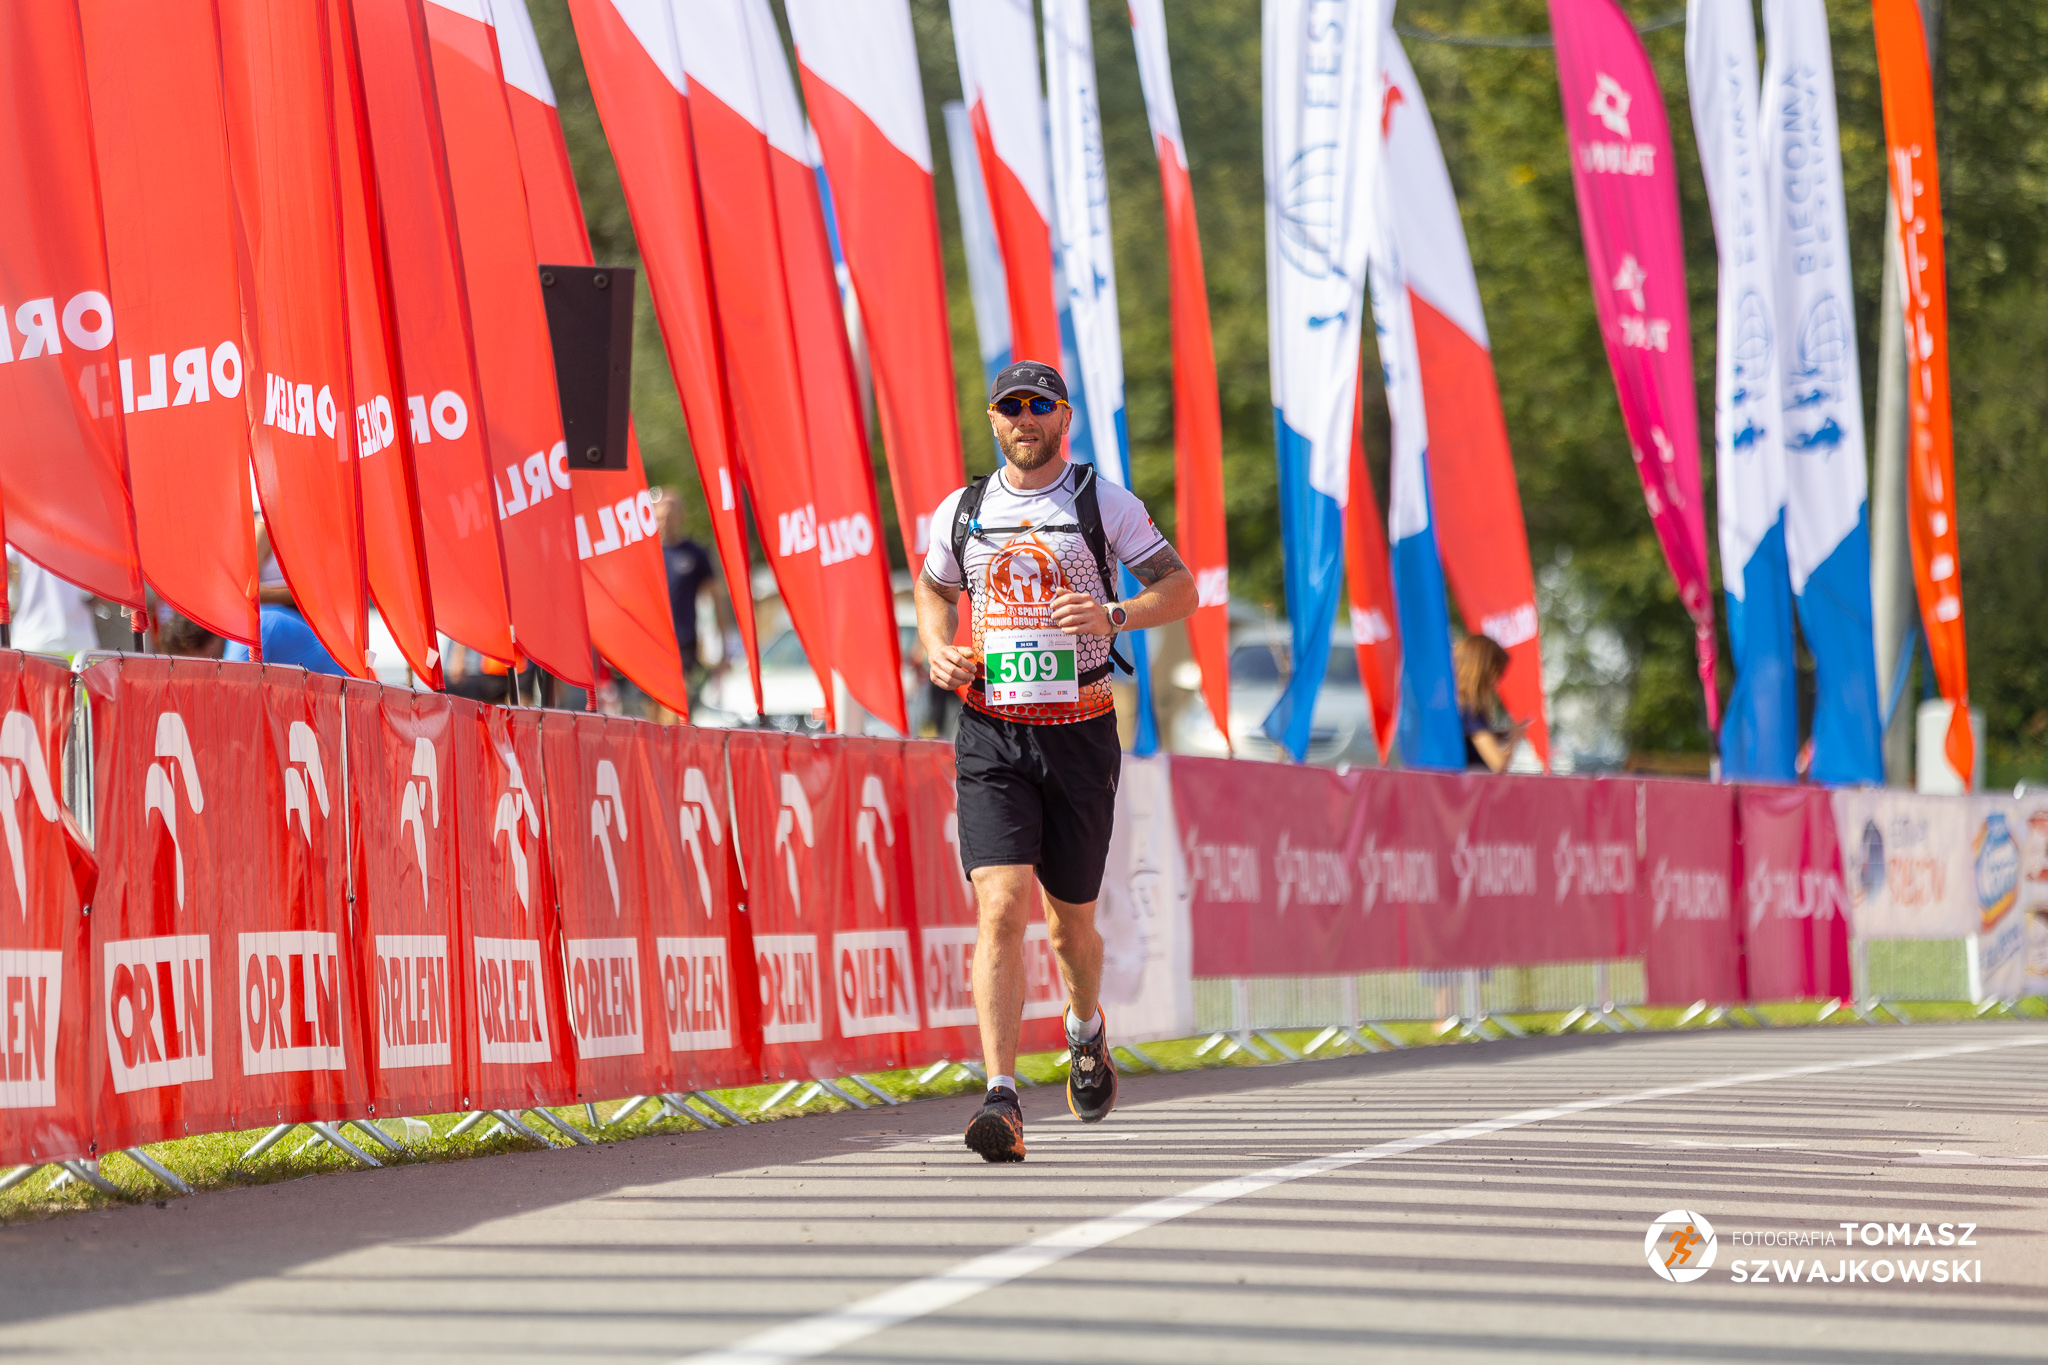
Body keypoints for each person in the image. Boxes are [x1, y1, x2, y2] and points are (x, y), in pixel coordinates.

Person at [914, 359, 1196, 1163]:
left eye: (1040, 404)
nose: (1025, 418)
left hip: (1080, 733)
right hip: (993, 732)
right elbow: (932, 589)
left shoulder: (1101, 502)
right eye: (1011, 406)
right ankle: (1001, 1097)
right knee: (1001, 906)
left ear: (1064, 417)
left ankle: (1084, 1028)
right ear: (993, 419)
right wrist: (937, 646)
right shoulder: (964, 509)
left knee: (1071, 926)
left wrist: (1113, 613)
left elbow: (1180, 589)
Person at [1456, 634, 1527, 772]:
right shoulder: (1471, 710)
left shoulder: (1454, 704)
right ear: (1482, 670)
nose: (1496, 682)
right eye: (1497, 672)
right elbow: (1498, 764)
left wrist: (1494, 736)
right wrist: (1515, 737)